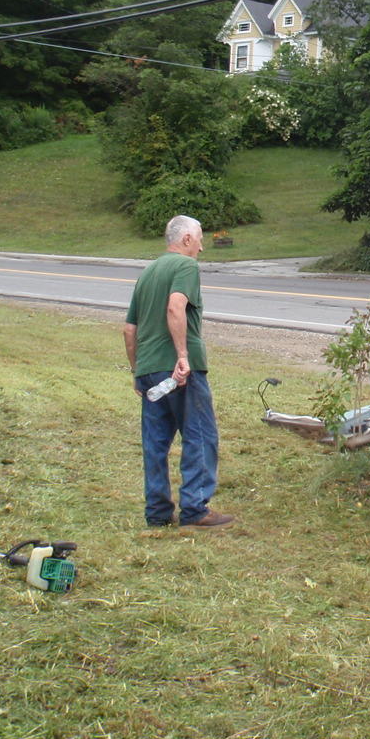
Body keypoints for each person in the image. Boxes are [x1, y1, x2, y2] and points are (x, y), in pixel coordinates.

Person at [123, 214, 232, 529]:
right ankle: (195, 510)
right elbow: (175, 307)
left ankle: (157, 513)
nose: (201, 249)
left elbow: (130, 330)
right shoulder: (186, 267)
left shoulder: (147, 273)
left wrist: (137, 371)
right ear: (186, 239)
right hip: (180, 371)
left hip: (149, 370)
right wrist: (182, 356)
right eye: (199, 240)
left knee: (155, 442)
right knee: (200, 435)